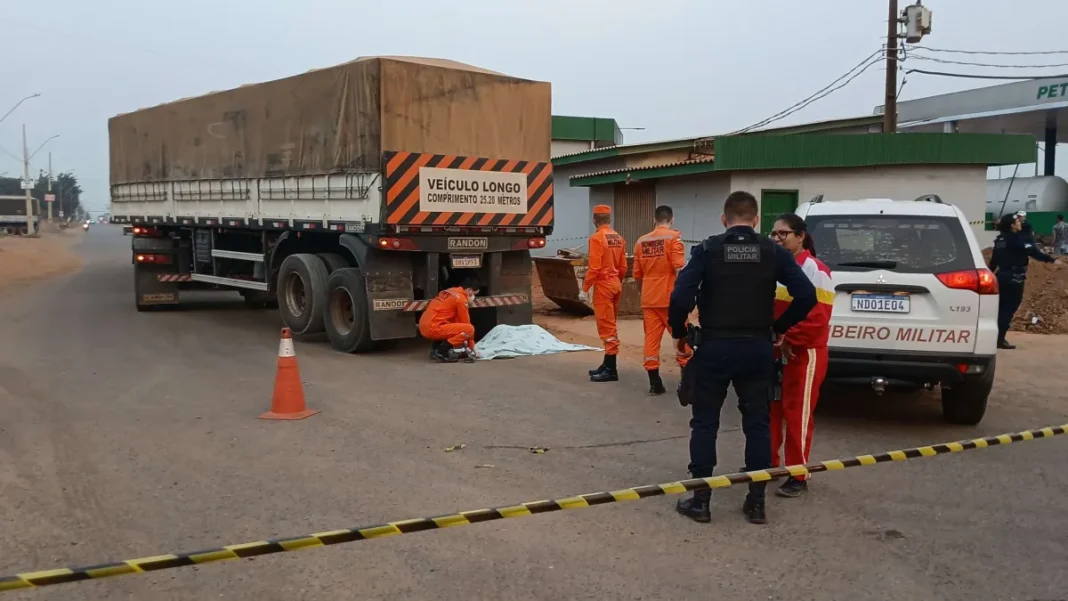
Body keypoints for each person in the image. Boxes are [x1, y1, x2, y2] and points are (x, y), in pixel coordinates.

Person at [668, 191, 817, 525]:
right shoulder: (773, 252)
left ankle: (701, 501)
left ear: (724, 219)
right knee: (758, 424)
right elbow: (806, 295)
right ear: (756, 219)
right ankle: (756, 502)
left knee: (705, 423)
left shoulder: (708, 250)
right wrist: (780, 327)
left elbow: (680, 297)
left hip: (714, 348)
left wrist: (679, 332)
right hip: (757, 349)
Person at [767, 213, 833, 498]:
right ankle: (768, 464)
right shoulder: (776, 268)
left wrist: (786, 338)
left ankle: (797, 474)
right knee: (770, 410)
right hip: (775, 350)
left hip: (803, 354)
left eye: (783, 234)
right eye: (773, 234)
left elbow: (818, 319)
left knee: (797, 415)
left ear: (800, 236)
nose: (777, 239)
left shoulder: (816, 270)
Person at [633, 205, 688, 395]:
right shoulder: (674, 239)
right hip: (671, 299)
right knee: (682, 338)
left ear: (654, 220)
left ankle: (654, 383)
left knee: (651, 340)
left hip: (649, 299)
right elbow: (679, 269)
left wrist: (643, 293)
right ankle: (686, 381)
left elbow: (637, 275)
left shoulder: (641, 241)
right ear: (672, 219)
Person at [989, 214, 1061, 350]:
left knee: (1000, 308)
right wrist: (1052, 260)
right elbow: (1034, 252)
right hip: (1014, 277)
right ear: (1012, 225)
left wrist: (989, 275)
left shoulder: (999, 241)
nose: (1020, 223)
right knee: (1009, 308)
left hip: (1001, 276)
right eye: (1017, 221)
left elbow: (993, 262)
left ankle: (993, 337)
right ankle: (999, 339)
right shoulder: (1018, 239)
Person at [581, 204, 628, 382]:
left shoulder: (597, 238)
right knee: (611, 324)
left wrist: (585, 288)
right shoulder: (618, 238)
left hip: (603, 286)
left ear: (594, 220)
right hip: (615, 283)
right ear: (609, 219)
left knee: (606, 327)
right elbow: (623, 267)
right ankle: (607, 363)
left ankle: (610, 369)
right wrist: (617, 282)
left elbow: (594, 268)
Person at [418, 274, 481, 362]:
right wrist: (472, 346)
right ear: (469, 290)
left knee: (451, 325)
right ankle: (442, 351)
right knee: (469, 329)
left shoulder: (449, 291)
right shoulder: (461, 300)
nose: (473, 297)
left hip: (424, 325)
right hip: (433, 328)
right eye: (474, 294)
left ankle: (435, 349)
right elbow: (466, 324)